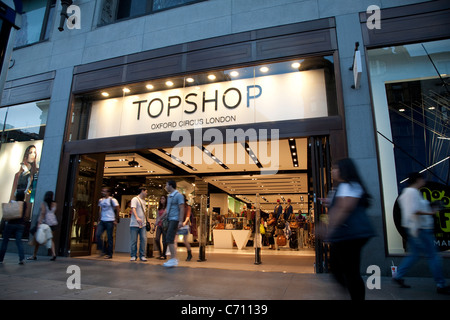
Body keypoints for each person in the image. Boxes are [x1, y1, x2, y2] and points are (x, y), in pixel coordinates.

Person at [324, 158, 375, 300]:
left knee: (348, 271)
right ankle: (351, 292)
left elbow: (343, 208)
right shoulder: (348, 186)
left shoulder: (348, 185)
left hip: (350, 234)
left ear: (344, 170)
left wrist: (328, 228)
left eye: (335, 168)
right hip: (351, 234)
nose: (332, 171)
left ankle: (355, 295)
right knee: (342, 268)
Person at [393, 172, 450, 294]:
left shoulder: (406, 193)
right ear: (417, 180)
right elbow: (414, 210)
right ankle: (440, 284)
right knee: (433, 256)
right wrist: (431, 213)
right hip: (421, 229)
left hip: (414, 228)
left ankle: (398, 275)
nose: (423, 181)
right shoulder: (412, 193)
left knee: (415, 254)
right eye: (422, 179)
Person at [28, 191, 58, 261]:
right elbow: (53, 212)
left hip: (45, 223)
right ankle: (53, 254)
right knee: (50, 238)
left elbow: (43, 213)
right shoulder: (54, 204)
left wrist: (39, 223)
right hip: (53, 223)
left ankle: (34, 255)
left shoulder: (43, 203)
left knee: (38, 239)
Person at [0, 190, 28, 264]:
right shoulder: (24, 204)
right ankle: (21, 258)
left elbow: (9, 211)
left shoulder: (13, 202)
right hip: (20, 225)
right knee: (19, 242)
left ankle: (1, 258)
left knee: (5, 241)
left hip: (11, 224)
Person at [163, 180, 185, 268]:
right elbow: (167, 210)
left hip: (175, 220)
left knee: (169, 238)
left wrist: (180, 221)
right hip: (169, 219)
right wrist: (159, 219)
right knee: (169, 239)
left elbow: (182, 208)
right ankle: (173, 259)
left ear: (170, 185)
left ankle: (173, 259)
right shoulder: (169, 196)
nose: (166, 186)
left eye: (166, 185)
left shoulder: (178, 196)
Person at [96, 187, 119, 259]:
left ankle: (109, 254)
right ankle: (103, 250)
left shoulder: (112, 200)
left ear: (108, 193)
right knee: (97, 234)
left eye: (105, 191)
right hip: (103, 220)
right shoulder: (101, 200)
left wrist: (116, 219)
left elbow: (117, 209)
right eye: (102, 191)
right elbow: (100, 210)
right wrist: (99, 219)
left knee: (109, 237)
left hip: (110, 220)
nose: (103, 192)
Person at [130, 186, 148, 262]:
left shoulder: (144, 201)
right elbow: (133, 208)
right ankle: (133, 255)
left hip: (143, 224)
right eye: (146, 191)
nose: (147, 193)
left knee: (143, 240)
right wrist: (137, 217)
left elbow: (144, 212)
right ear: (142, 191)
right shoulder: (135, 199)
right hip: (134, 223)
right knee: (134, 240)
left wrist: (146, 220)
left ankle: (142, 255)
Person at [176, 195, 192, 261]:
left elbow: (188, 216)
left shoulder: (188, 207)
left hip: (184, 225)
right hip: (177, 224)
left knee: (185, 241)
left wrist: (184, 222)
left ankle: (189, 253)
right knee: (174, 240)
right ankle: (173, 256)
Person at [155, 195, 167, 260]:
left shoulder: (167, 207)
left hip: (164, 225)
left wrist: (160, 218)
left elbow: (166, 214)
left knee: (164, 241)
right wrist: (155, 225)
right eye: (161, 199)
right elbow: (157, 216)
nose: (162, 200)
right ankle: (160, 253)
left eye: (163, 199)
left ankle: (164, 254)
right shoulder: (159, 208)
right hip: (159, 225)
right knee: (157, 239)